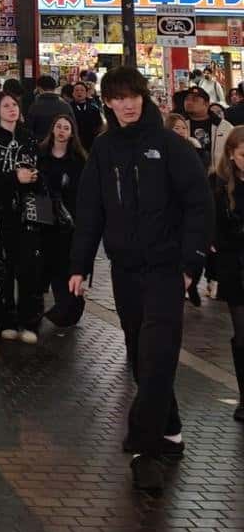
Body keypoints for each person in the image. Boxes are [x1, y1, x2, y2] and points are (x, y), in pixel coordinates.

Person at [69, 66, 213, 495]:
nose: (127, 105)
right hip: (125, 271)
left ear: (144, 97)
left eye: (133, 96)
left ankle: (145, 448)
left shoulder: (170, 146)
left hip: (167, 270)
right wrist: (79, 265)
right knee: (140, 355)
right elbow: (90, 209)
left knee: (158, 355)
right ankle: (170, 431)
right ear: (108, 103)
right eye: (118, 98)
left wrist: (191, 265)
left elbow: (199, 204)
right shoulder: (103, 149)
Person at [0, 92, 43, 343]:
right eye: (6, 106)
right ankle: (5, 320)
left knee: (30, 267)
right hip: (0, 212)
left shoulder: (29, 137)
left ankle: (30, 321)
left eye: (14, 104)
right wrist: (14, 178)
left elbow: (40, 168)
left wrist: (35, 178)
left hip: (30, 210)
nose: (11, 109)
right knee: (1, 268)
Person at [38, 113, 86, 329]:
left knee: (65, 263)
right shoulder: (41, 155)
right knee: (49, 261)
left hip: (69, 218)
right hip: (45, 214)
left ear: (72, 133)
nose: (61, 131)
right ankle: (59, 306)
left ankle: (69, 307)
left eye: (66, 128)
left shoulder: (78, 160)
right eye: (58, 126)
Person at [210, 127, 244, 422]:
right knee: (242, 333)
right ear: (232, 154)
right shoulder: (218, 184)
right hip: (235, 267)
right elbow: (214, 228)